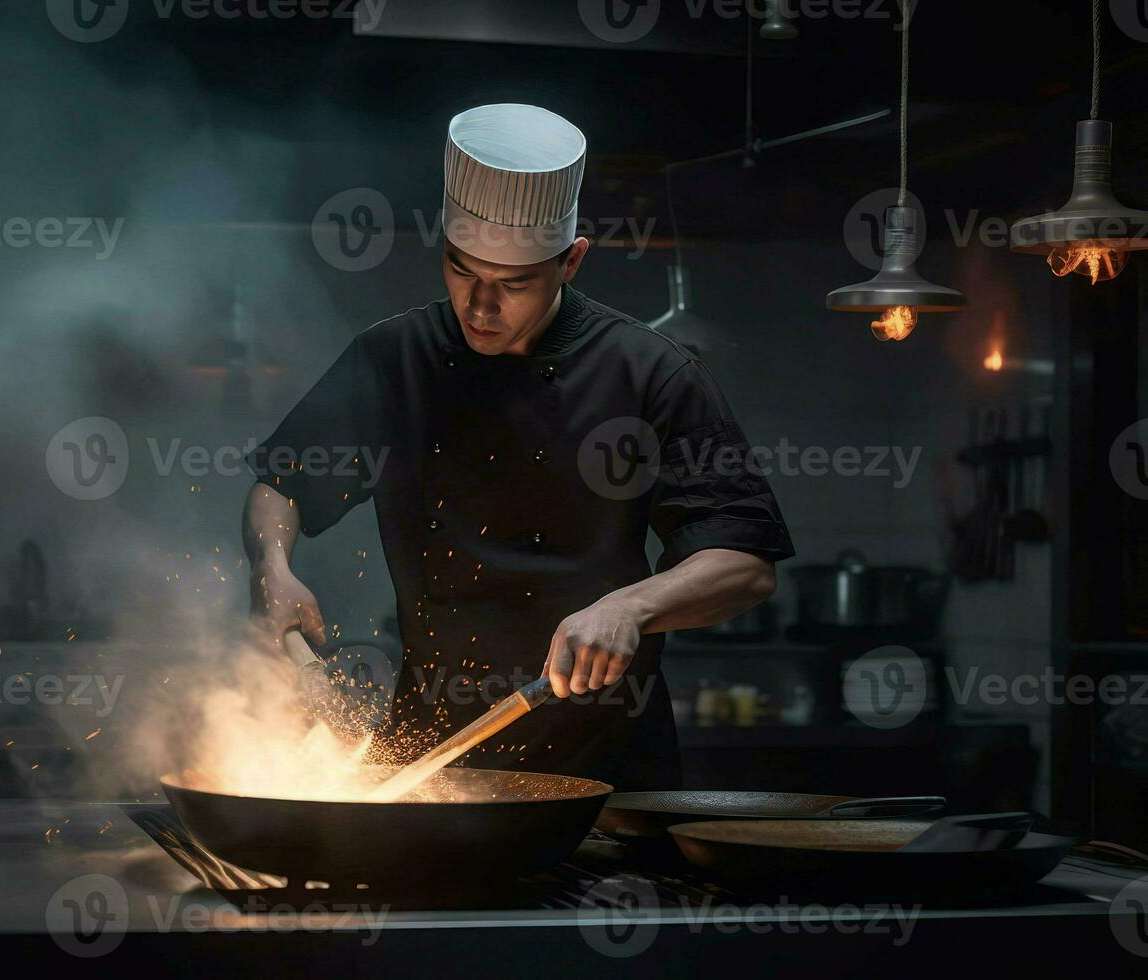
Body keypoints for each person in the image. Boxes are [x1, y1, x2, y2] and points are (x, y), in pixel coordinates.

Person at [243, 103, 794, 789]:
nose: (478, 306)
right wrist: (273, 565)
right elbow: (283, 479)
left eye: (512, 284)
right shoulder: (393, 359)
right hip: (429, 754)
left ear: (571, 261)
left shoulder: (650, 372)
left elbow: (743, 562)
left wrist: (630, 607)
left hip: (607, 764)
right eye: (460, 270)